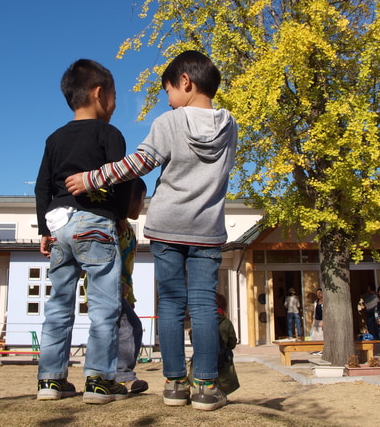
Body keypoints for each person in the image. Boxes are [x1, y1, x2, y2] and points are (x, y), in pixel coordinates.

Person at [66, 50, 238, 411]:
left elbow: (139, 164)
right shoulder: (230, 125)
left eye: (169, 91)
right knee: (205, 306)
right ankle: (206, 387)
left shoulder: (168, 123)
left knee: (172, 305)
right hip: (207, 229)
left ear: (185, 83)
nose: (168, 100)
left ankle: (175, 385)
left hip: (167, 227)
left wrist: (91, 178)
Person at [35, 59, 131, 404]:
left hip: (58, 225)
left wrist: (44, 230)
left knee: (59, 305)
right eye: (115, 96)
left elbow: (42, 187)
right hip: (96, 223)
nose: (116, 104)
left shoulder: (54, 138)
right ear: (99, 93)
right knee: (104, 306)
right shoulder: (110, 134)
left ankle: (50, 380)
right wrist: (120, 216)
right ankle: (100, 379)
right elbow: (121, 178)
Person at [115, 178, 148, 394]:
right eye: (142, 199)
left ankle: (108, 375)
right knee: (131, 327)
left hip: (124, 292)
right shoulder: (111, 228)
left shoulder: (129, 231)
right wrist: (118, 284)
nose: (143, 205)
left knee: (118, 330)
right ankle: (122, 375)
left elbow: (129, 268)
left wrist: (130, 297)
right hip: (108, 287)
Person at [215, 293, 240, 395]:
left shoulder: (200, 321)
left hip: (200, 361)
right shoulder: (226, 322)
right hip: (222, 361)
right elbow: (232, 342)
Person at [310, 288, 324, 355]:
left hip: (322, 321)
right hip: (316, 320)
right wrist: (313, 321)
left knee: (321, 336)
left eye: (320, 293)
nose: (319, 295)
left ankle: (321, 349)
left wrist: (324, 321)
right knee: (315, 335)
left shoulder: (324, 302)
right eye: (317, 294)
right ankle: (316, 349)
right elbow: (315, 312)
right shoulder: (316, 302)